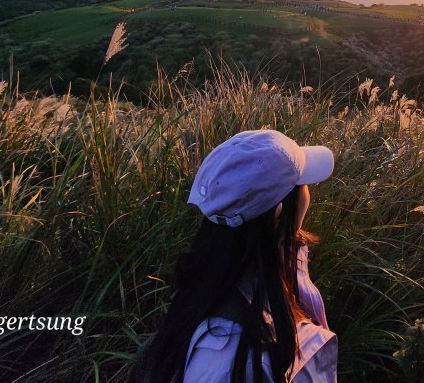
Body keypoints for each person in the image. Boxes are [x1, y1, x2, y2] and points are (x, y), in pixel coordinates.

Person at [128, 129, 337, 383]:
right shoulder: (227, 355)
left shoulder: (215, 282)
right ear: (277, 216)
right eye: (302, 184)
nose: (308, 194)